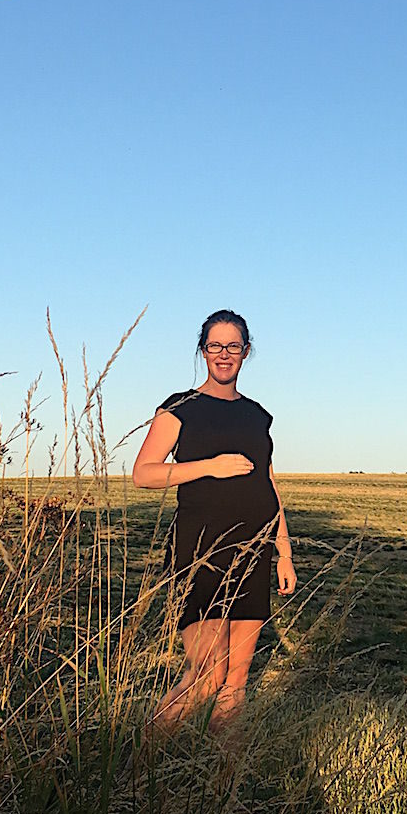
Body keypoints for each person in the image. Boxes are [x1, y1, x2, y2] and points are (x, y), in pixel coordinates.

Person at [132, 309, 296, 733]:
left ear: (246, 351)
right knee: (206, 678)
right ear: (203, 351)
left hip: (254, 549)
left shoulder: (258, 416)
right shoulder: (179, 408)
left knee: (235, 684)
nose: (224, 355)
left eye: (234, 346)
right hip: (200, 550)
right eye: (215, 346)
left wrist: (284, 551)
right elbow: (143, 473)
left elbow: (269, 484)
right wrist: (209, 466)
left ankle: (223, 785)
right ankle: (137, 768)